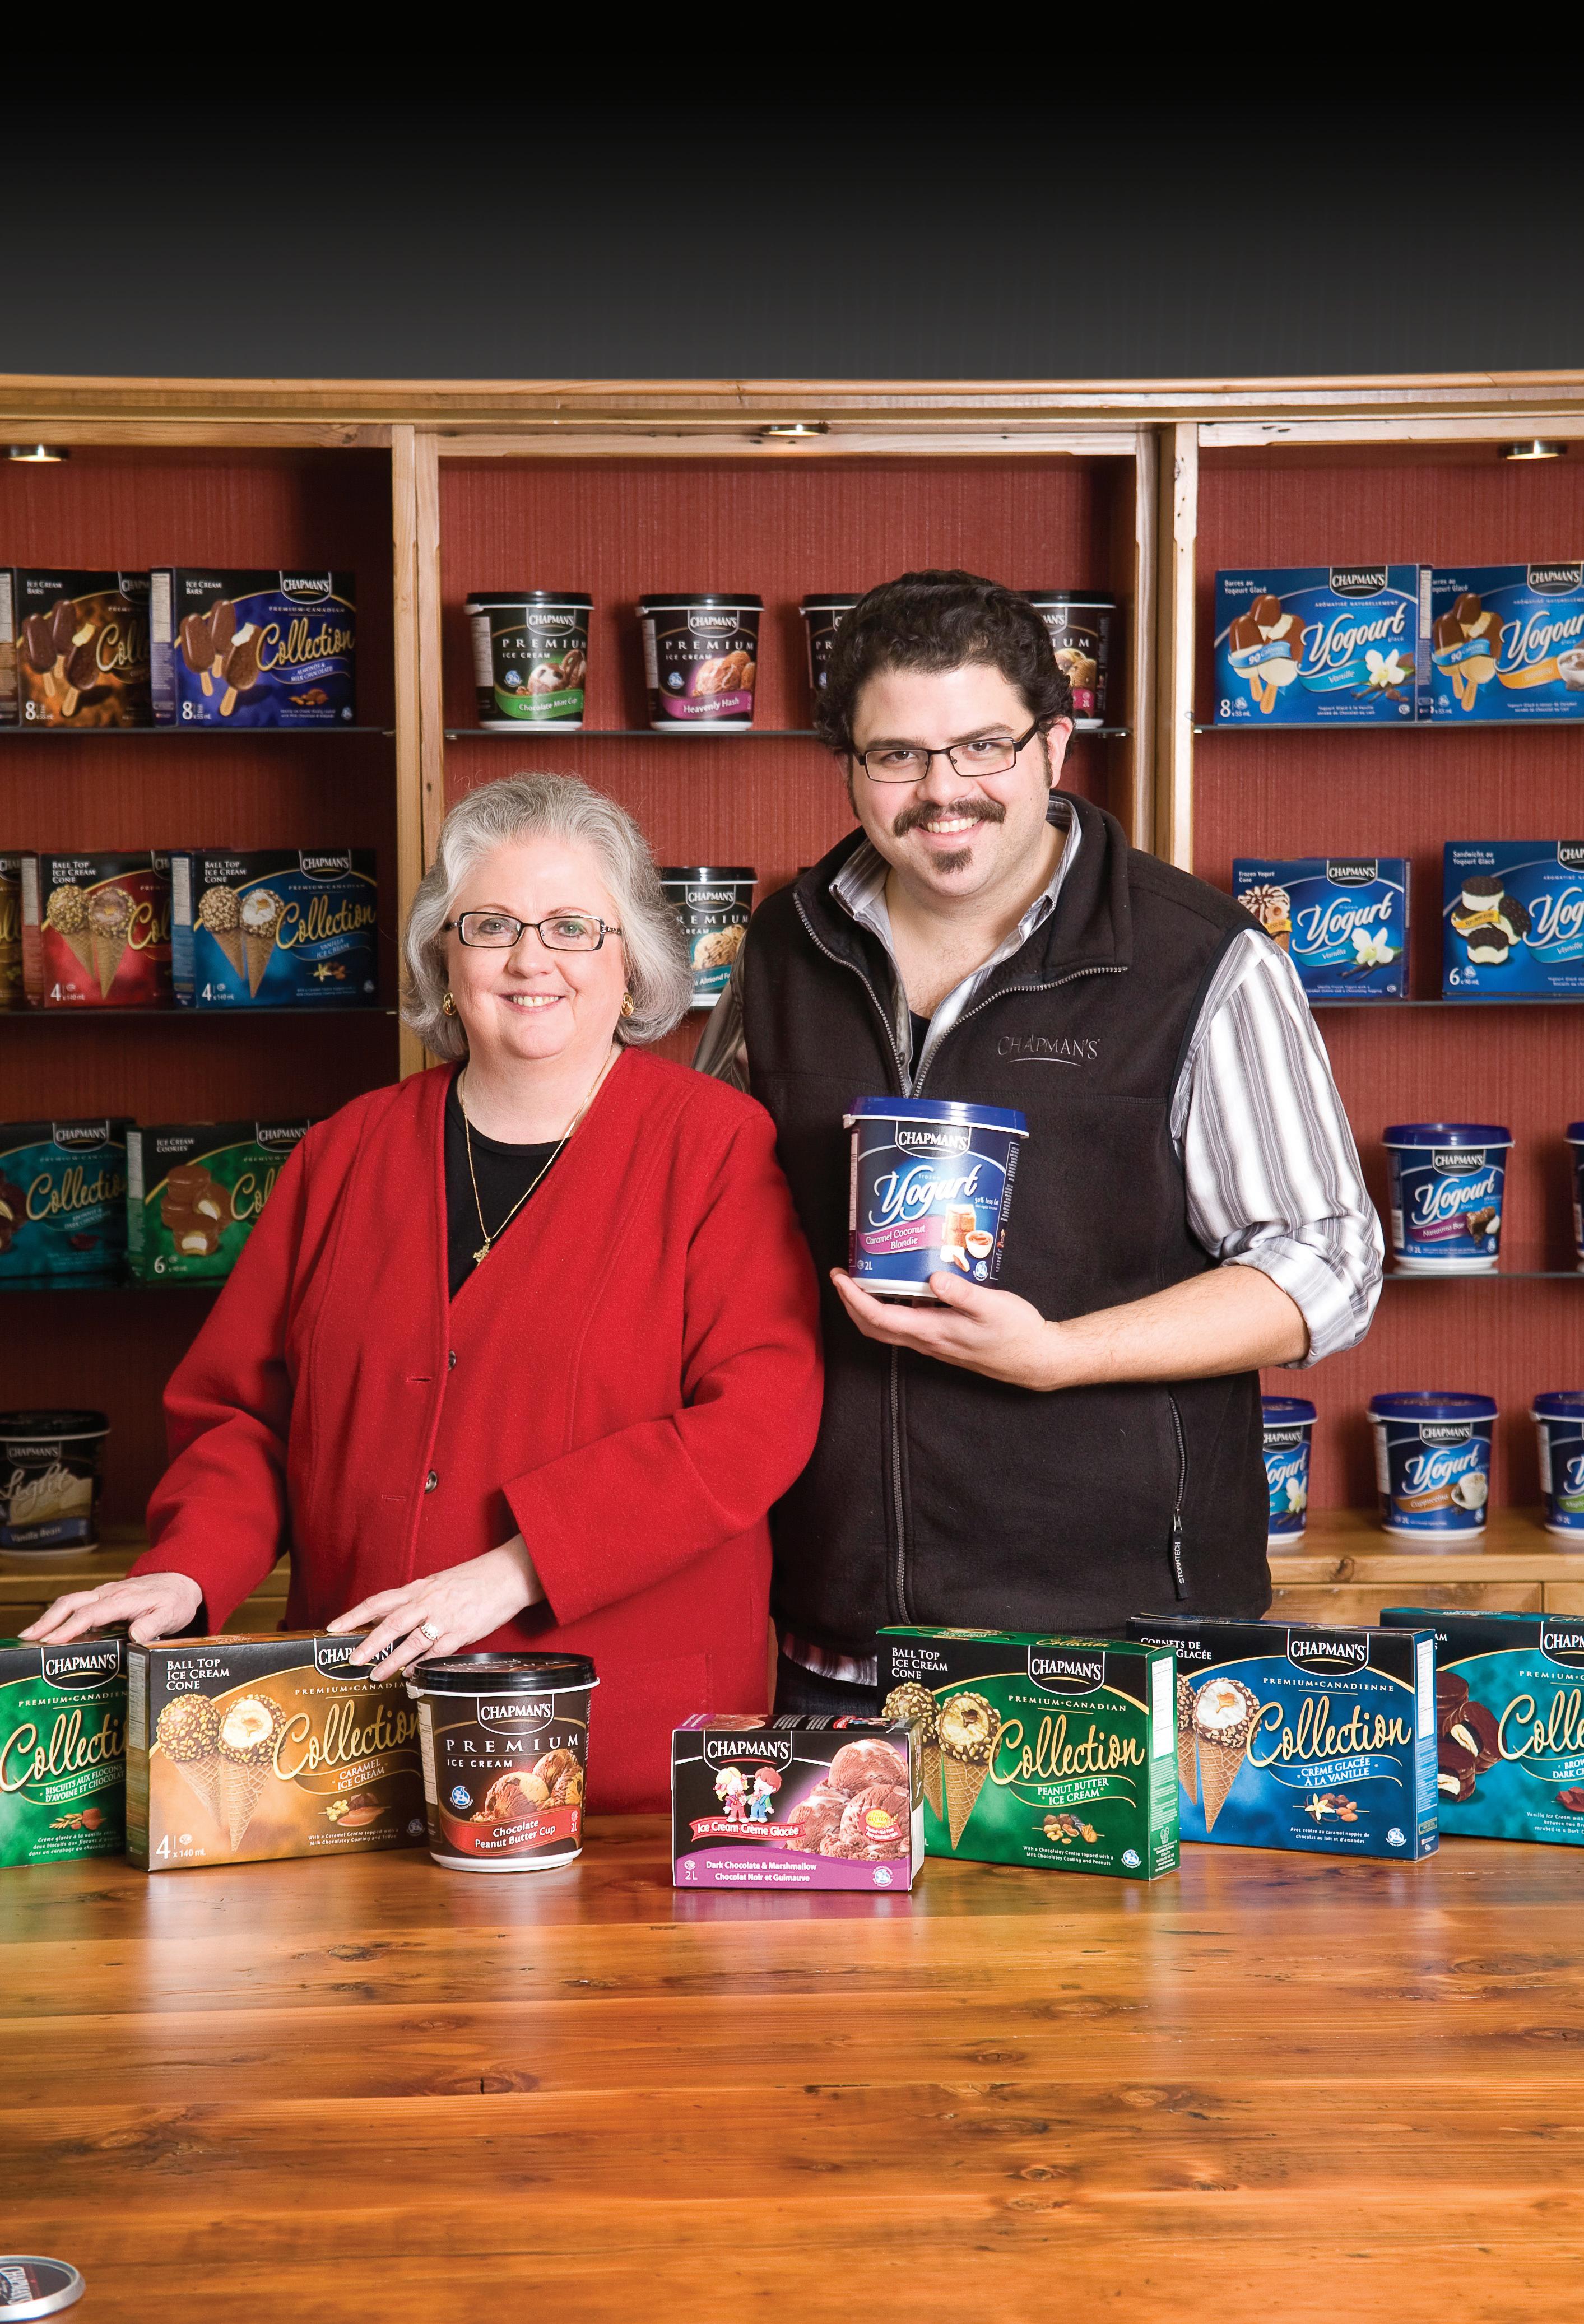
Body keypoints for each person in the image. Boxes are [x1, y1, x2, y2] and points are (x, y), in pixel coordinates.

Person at [25, 774, 823, 1808]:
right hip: (354, 1737)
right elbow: (244, 1416)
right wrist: (190, 1569)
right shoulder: (342, 1153)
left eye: (573, 927)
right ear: (443, 957)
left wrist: (517, 1568)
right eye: (491, 926)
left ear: (630, 961)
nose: (531, 960)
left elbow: (758, 1421)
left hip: (620, 1745)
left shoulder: (714, 1146)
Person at [696, 571, 1382, 1713]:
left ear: (1055, 744)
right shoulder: (783, 950)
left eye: (982, 747)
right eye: (897, 755)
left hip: (1119, 1651)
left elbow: (1327, 1265)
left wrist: (1062, 1353)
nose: (942, 791)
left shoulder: (1198, 959)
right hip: (837, 1644)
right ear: (849, 766)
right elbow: (702, 1218)